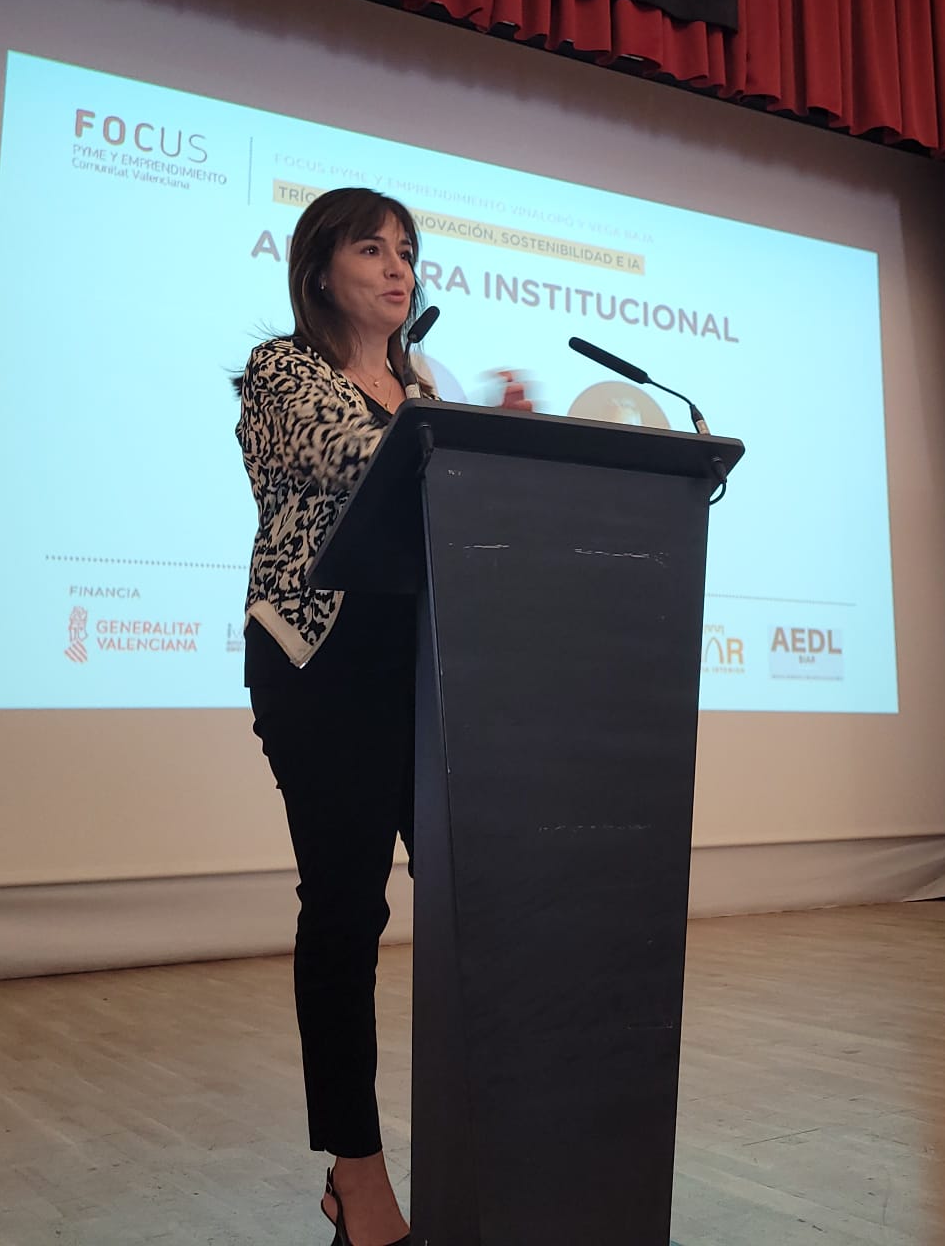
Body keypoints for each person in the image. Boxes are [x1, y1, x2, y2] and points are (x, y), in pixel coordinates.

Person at [236, 186, 532, 1246]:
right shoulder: (284, 371)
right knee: (347, 908)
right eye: (373, 249)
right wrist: (465, 435)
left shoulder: (421, 386)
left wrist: (501, 450)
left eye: (407, 249)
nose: (399, 267)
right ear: (321, 271)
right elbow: (346, 456)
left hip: (427, 669)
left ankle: (493, 1147)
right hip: (321, 664)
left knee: (471, 899)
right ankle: (355, 1172)